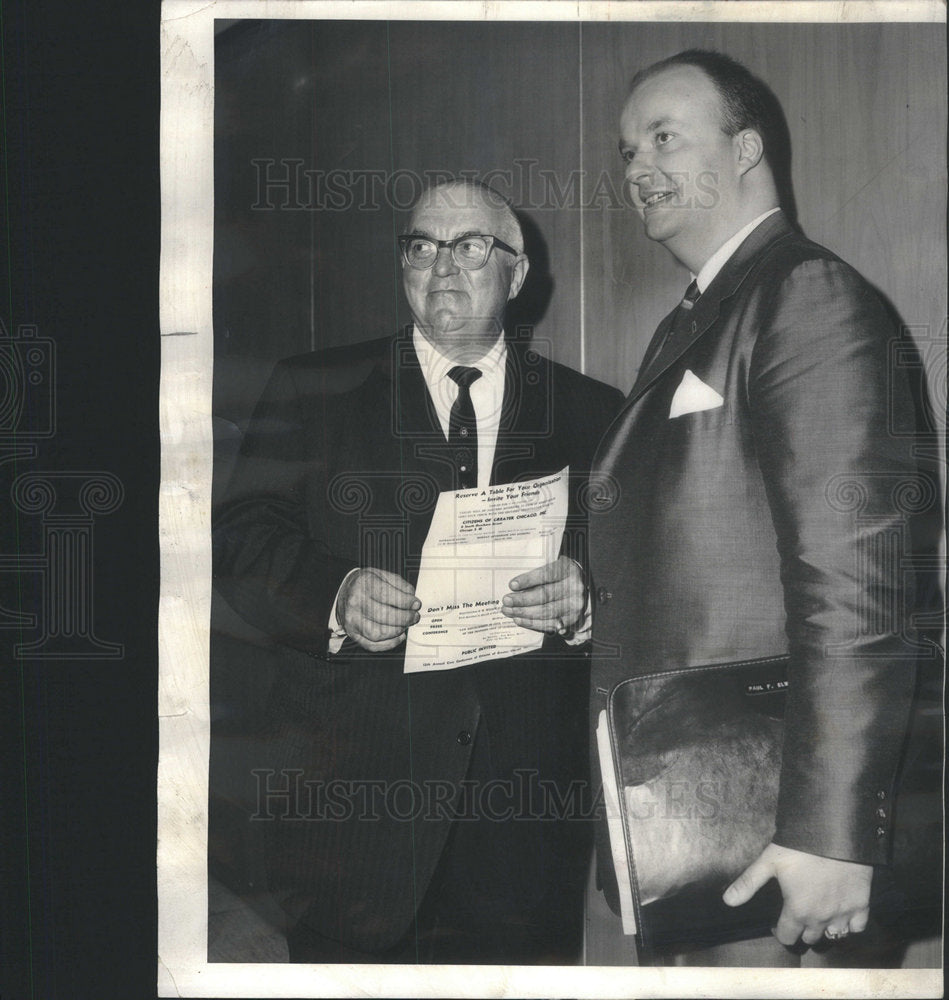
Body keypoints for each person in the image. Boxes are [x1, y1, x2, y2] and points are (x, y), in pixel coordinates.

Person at [213, 178, 623, 964]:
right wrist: (330, 593)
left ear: (517, 272)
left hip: (520, 816)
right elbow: (238, 534)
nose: (443, 267)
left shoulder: (592, 412)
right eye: (421, 247)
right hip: (355, 808)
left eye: (471, 247)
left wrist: (585, 595)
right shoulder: (312, 388)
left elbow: (637, 566)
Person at [589, 50, 926, 966]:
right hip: (702, 815)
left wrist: (831, 832)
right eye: (624, 152)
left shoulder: (804, 296)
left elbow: (858, 582)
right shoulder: (700, 313)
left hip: (783, 832)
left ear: (745, 149)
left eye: (663, 138)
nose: (635, 170)